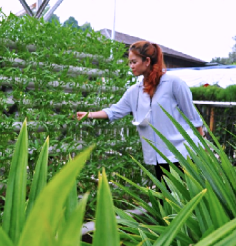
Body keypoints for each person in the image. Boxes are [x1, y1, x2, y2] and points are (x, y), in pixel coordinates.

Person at [77, 41, 204, 185]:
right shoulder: (135, 91)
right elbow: (115, 111)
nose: (131, 66)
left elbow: (193, 118)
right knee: (166, 202)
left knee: (184, 201)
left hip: (183, 154)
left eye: (134, 62)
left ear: (147, 61)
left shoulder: (174, 83)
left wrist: (203, 151)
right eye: (129, 62)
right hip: (159, 156)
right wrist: (90, 114)